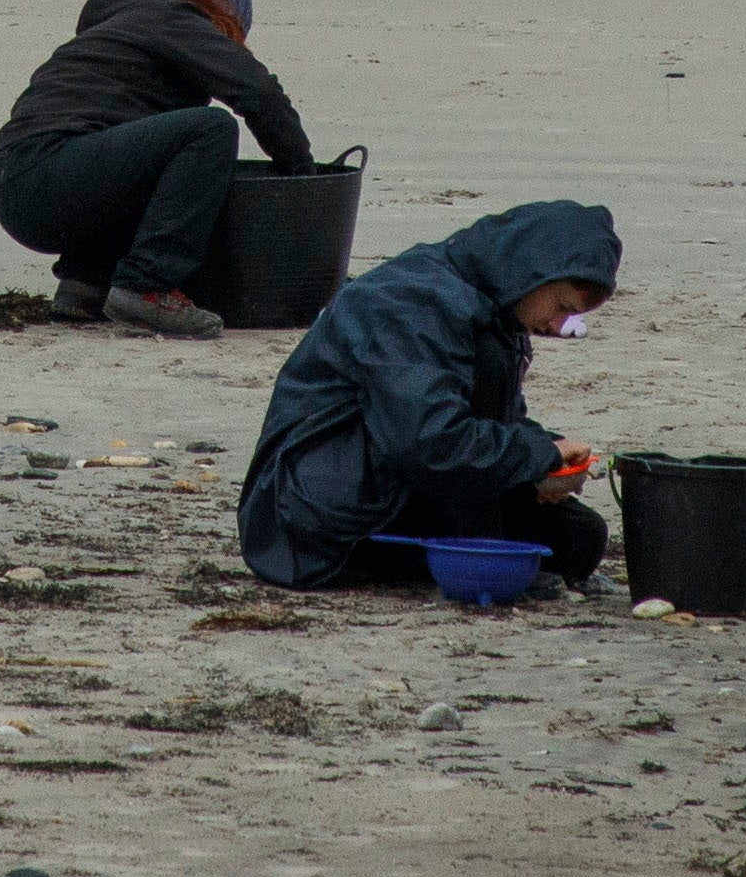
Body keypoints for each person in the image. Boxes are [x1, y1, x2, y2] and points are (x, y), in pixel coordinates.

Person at [234, 200, 620, 592]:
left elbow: (490, 420)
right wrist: (538, 457)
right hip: (314, 507)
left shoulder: (496, 307)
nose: (557, 325)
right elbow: (428, 441)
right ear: (532, 271)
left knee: (578, 537)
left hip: (400, 466)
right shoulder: (410, 301)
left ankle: (463, 551)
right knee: (518, 548)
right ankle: (439, 560)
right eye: (561, 307)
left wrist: (546, 458)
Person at [0, 0, 314, 336]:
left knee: (145, 150)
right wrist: (301, 174)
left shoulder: (123, 24)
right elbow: (259, 93)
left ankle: (84, 283)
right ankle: (147, 287)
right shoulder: (179, 20)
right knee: (210, 129)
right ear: (222, 21)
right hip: (52, 171)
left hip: (11, 182)